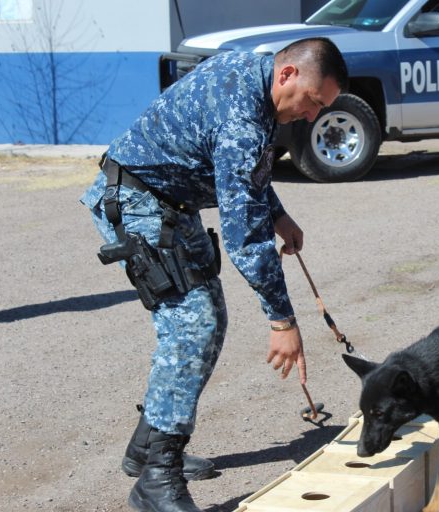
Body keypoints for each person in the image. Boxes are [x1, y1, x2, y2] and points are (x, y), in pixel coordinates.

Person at [79, 37, 348, 512]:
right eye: (313, 101)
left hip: (171, 201)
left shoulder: (258, 80)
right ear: (288, 75)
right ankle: (157, 479)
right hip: (137, 199)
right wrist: (282, 321)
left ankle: (147, 449)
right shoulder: (243, 115)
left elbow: (243, 174)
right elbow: (243, 235)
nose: (312, 115)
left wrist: (277, 213)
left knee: (207, 319)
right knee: (193, 323)